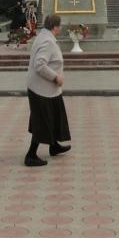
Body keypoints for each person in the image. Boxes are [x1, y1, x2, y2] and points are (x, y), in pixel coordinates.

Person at [24, 14, 71, 167]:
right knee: (42, 121)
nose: (60, 28)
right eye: (60, 26)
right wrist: (55, 77)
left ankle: (54, 146)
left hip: (47, 90)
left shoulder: (43, 36)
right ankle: (31, 155)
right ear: (55, 27)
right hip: (42, 89)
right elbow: (39, 65)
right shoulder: (47, 41)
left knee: (53, 116)